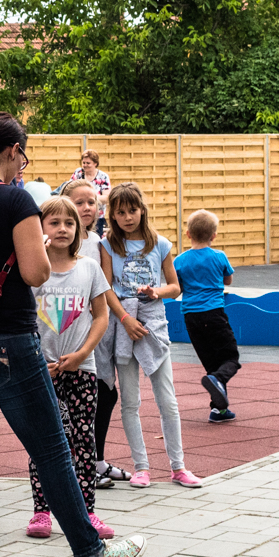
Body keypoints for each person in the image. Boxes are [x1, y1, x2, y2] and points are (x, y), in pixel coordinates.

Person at [0, 114, 146, 557]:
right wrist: (39, 246)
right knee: (51, 448)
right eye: (22, 157)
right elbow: (35, 273)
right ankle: (91, 554)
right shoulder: (15, 198)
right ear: (12, 152)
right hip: (6, 339)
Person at [99, 182, 200, 488]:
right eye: (120, 213)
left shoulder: (160, 244)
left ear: (142, 210)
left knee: (167, 400)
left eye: (132, 210)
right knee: (130, 401)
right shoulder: (108, 245)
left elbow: (175, 287)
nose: (127, 217)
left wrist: (156, 292)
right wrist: (125, 318)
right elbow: (106, 289)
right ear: (112, 216)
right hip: (125, 326)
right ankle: (141, 467)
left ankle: (178, 466)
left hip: (153, 325)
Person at [26, 196, 114, 542]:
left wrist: (82, 353)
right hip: (41, 372)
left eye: (69, 223)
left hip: (82, 370)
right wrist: (36, 361)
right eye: (54, 222)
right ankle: (42, 511)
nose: (62, 229)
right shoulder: (31, 271)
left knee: (83, 440)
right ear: (39, 227)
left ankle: (86, 511)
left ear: (78, 229)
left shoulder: (89, 268)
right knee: (44, 441)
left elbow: (101, 316)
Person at [60, 178, 128, 488]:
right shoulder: (57, 241)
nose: (87, 207)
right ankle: (76, 464)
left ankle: (95, 460)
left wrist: (120, 316)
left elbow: (103, 285)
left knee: (105, 393)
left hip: (95, 330)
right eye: (79, 202)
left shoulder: (98, 242)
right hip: (68, 330)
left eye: (92, 202)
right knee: (73, 401)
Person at [175, 209, 239, 423]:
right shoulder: (219, 256)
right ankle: (218, 381)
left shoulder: (180, 260)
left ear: (188, 234)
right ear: (214, 235)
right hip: (214, 314)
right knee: (230, 359)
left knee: (211, 363)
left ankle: (219, 410)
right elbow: (228, 280)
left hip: (191, 317)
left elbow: (178, 287)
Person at [71, 151, 112, 235]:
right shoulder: (78, 173)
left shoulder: (103, 177)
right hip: (78, 215)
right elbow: (70, 191)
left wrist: (87, 197)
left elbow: (106, 198)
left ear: (95, 163)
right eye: (84, 163)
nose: (85, 165)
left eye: (88, 163)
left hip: (97, 217)